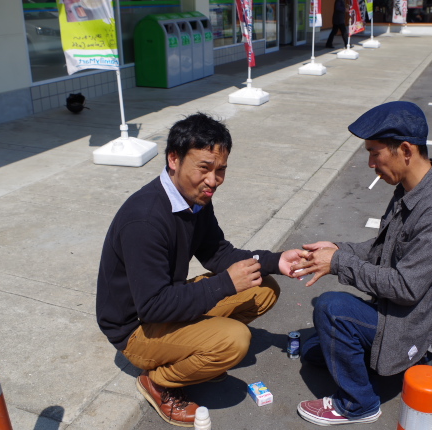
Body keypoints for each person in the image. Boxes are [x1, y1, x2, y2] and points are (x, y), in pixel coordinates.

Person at [96, 112, 303, 427]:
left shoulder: (194, 198)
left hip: (163, 305)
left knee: (263, 286)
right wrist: (225, 286)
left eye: (220, 170)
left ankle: (198, 350)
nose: (213, 181)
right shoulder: (146, 220)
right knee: (234, 340)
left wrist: (276, 260)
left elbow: (218, 253)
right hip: (135, 328)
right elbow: (152, 307)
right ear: (174, 160)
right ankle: (160, 381)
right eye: (204, 168)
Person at [291, 101, 432, 426]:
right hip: (402, 311)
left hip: (420, 331)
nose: (371, 163)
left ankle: (357, 404)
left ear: (405, 150)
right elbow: (380, 250)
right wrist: (337, 248)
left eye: (375, 153)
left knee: (331, 309)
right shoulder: (412, 187)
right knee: (313, 350)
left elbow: (405, 287)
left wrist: (337, 263)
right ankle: (365, 357)